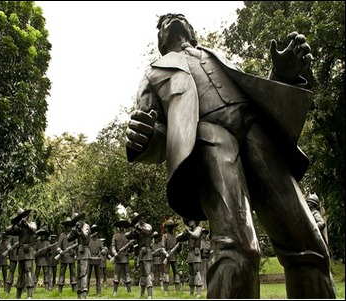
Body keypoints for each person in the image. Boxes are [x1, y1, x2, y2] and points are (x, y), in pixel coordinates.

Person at [125, 13, 336, 299]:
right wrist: (145, 137)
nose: (171, 21)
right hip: (209, 138)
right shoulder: (154, 73)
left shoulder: (218, 57)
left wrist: (282, 76)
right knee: (238, 247)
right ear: (160, 41)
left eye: (179, 18)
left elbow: (256, 96)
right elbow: (160, 135)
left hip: (256, 134)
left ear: (192, 31)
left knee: (308, 244)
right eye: (162, 24)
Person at [5, 208, 37, 299]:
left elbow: (34, 230)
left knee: (28, 270)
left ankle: (29, 295)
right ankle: (18, 295)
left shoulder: (32, 223)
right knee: (20, 273)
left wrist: (26, 224)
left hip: (29, 250)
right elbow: (8, 230)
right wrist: (16, 224)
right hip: (21, 250)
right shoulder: (19, 226)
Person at [126, 212, 154, 299]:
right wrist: (134, 231)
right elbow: (128, 236)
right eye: (138, 219)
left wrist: (140, 229)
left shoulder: (148, 226)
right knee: (142, 274)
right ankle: (142, 294)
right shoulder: (136, 227)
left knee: (147, 272)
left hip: (147, 251)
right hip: (140, 252)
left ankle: (149, 295)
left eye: (141, 218)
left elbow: (148, 232)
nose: (140, 220)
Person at [176, 218, 203, 298]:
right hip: (190, 253)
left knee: (197, 271)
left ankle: (198, 293)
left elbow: (196, 235)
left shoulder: (198, 229)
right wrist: (183, 234)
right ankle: (191, 292)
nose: (189, 222)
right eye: (188, 221)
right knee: (191, 273)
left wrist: (189, 232)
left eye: (191, 220)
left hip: (196, 253)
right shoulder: (189, 231)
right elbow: (177, 238)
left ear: (195, 221)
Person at [67, 212, 91, 299]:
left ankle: (84, 293)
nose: (78, 222)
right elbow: (68, 238)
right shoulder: (76, 228)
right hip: (79, 252)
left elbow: (84, 237)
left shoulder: (86, 226)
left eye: (78, 220)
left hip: (85, 251)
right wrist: (73, 231)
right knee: (79, 274)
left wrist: (79, 230)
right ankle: (79, 294)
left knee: (84, 273)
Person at [111, 219, 133, 297]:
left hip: (126, 257)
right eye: (120, 226)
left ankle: (129, 292)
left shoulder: (128, 236)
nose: (122, 227)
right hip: (118, 257)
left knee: (127, 275)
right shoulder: (115, 236)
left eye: (123, 226)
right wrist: (115, 253)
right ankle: (115, 292)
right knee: (116, 275)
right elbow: (113, 247)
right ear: (118, 227)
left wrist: (130, 246)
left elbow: (131, 249)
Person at [56, 216, 77, 294]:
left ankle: (74, 289)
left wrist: (74, 252)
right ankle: (60, 291)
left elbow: (77, 246)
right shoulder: (62, 235)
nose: (68, 227)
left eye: (69, 225)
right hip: (63, 256)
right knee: (62, 273)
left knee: (73, 273)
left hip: (71, 256)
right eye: (67, 225)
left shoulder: (74, 235)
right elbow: (57, 247)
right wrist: (61, 251)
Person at [160, 219, 181, 293]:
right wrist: (166, 254)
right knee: (166, 272)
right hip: (167, 255)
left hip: (174, 256)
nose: (171, 228)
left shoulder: (176, 236)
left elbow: (178, 250)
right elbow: (162, 248)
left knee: (176, 272)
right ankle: (165, 290)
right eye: (170, 227)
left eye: (172, 227)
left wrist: (178, 247)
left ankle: (178, 290)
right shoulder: (165, 236)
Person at [88, 224, 105, 296]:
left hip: (97, 259)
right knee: (88, 275)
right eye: (93, 231)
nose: (95, 232)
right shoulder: (88, 240)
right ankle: (86, 290)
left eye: (96, 231)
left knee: (98, 276)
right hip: (90, 259)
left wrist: (104, 250)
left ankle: (99, 291)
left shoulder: (99, 241)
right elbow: (86, 248)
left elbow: (103, 248)